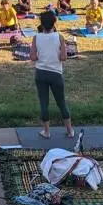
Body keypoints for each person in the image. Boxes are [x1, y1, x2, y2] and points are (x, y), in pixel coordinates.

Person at [29, 11, 73, 139]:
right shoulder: (59, 37)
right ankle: (70, 131)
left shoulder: (36, 37)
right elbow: (64, 57)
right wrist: (56, 55)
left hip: (41, 73)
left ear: (41, 24)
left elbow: (32, 56)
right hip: (56, 74)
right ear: (54, 23)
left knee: (44, 103)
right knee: (61, 103)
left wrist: (41, 55)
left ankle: (47, 131)